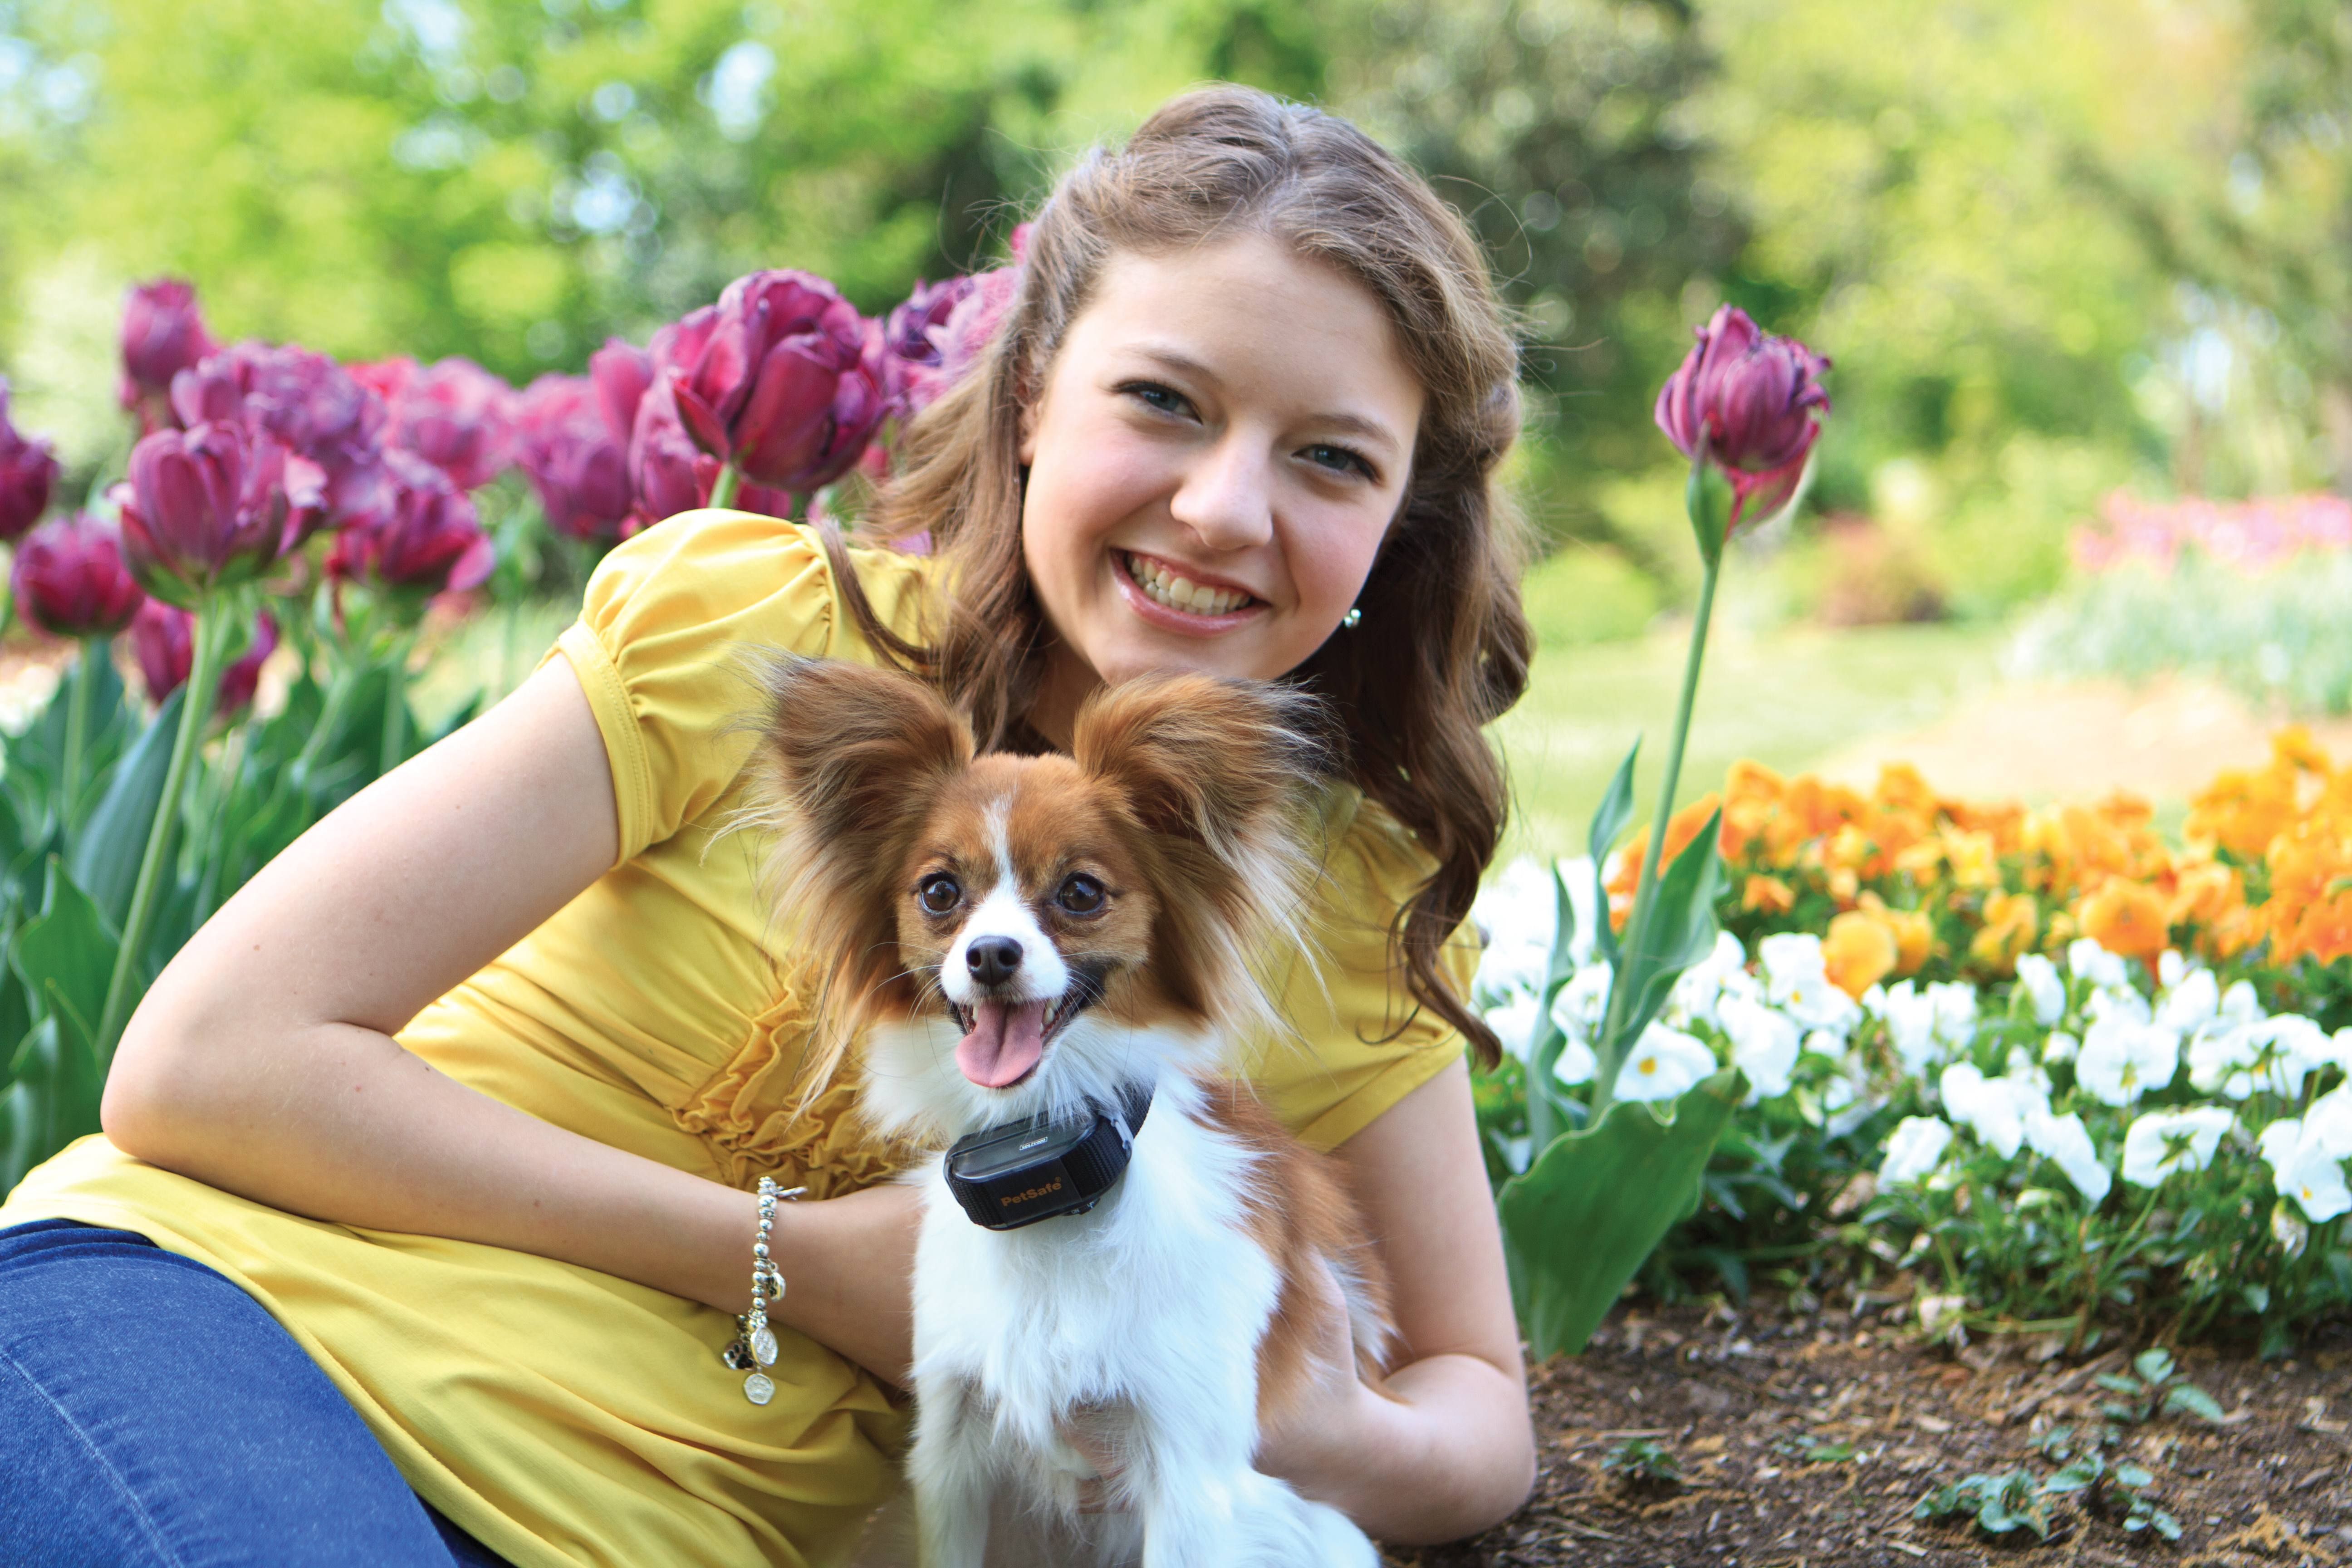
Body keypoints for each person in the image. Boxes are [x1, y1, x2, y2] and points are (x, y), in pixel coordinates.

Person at [0, 84, 1538, 1567]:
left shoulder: (1327, 895)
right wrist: (797, 1260)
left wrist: (1299, 1415)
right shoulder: (763, 642)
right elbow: (206, 1061)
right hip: (231, 1331)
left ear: (1399, 521)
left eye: (1332, 458)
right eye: (1164, 403)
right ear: (1029, 402)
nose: (1223, 507)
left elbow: (1479, 1412)